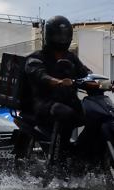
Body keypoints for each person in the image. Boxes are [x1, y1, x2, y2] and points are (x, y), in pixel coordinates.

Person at [24, 15, 95, 149]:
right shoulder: (36, 57)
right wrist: (57, 81)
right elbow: (40, 75)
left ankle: (84, 153)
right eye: (58, 35)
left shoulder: (71, 57)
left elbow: (85, 73)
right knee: (63, 112)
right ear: (49, 35)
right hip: (44, 103)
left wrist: (100, 82)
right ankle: (59, 153)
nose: (62, 39)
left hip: (69, 101)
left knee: (94, 114)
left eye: (65, 35)